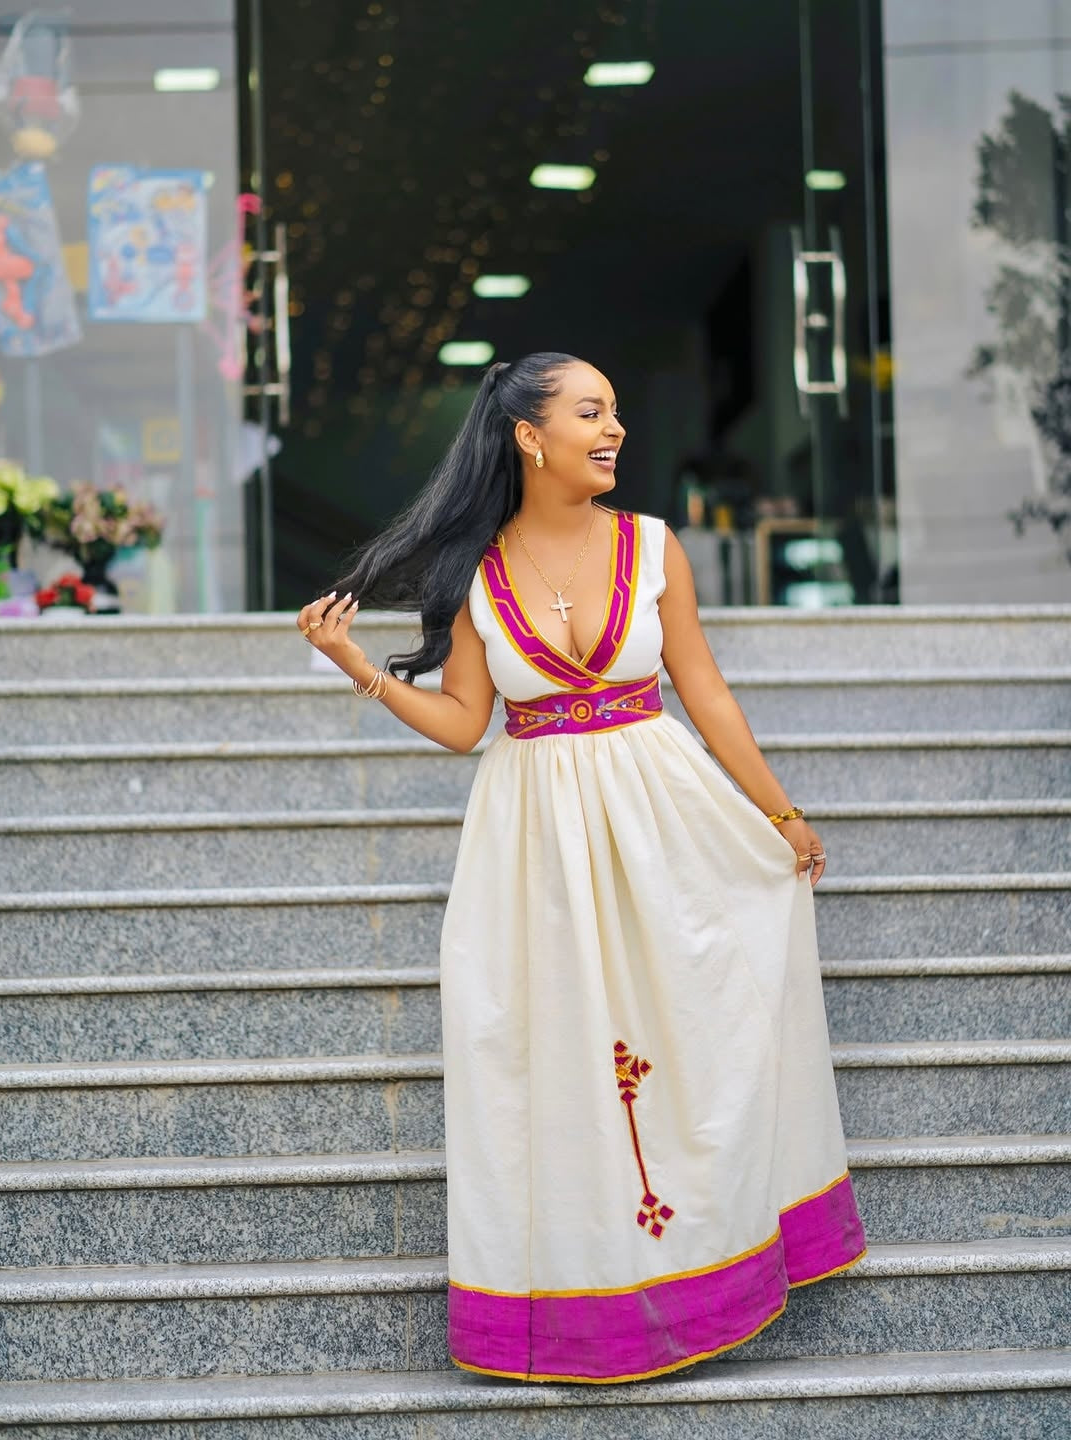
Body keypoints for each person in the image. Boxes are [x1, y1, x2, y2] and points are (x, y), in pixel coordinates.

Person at [297, 351, 867, 1384]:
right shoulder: (473, 573)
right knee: (549, 1057)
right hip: (535, 842)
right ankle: (580, 1305)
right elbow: (469, 724)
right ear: (529, 434)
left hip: (667, 819)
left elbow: (707, 691)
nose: (614, 430)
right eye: (591, 412)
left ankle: (720, 1257)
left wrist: (777, 810)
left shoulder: (655, 548)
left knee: (690, 1023)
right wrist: (362, 670)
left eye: (614, 411)